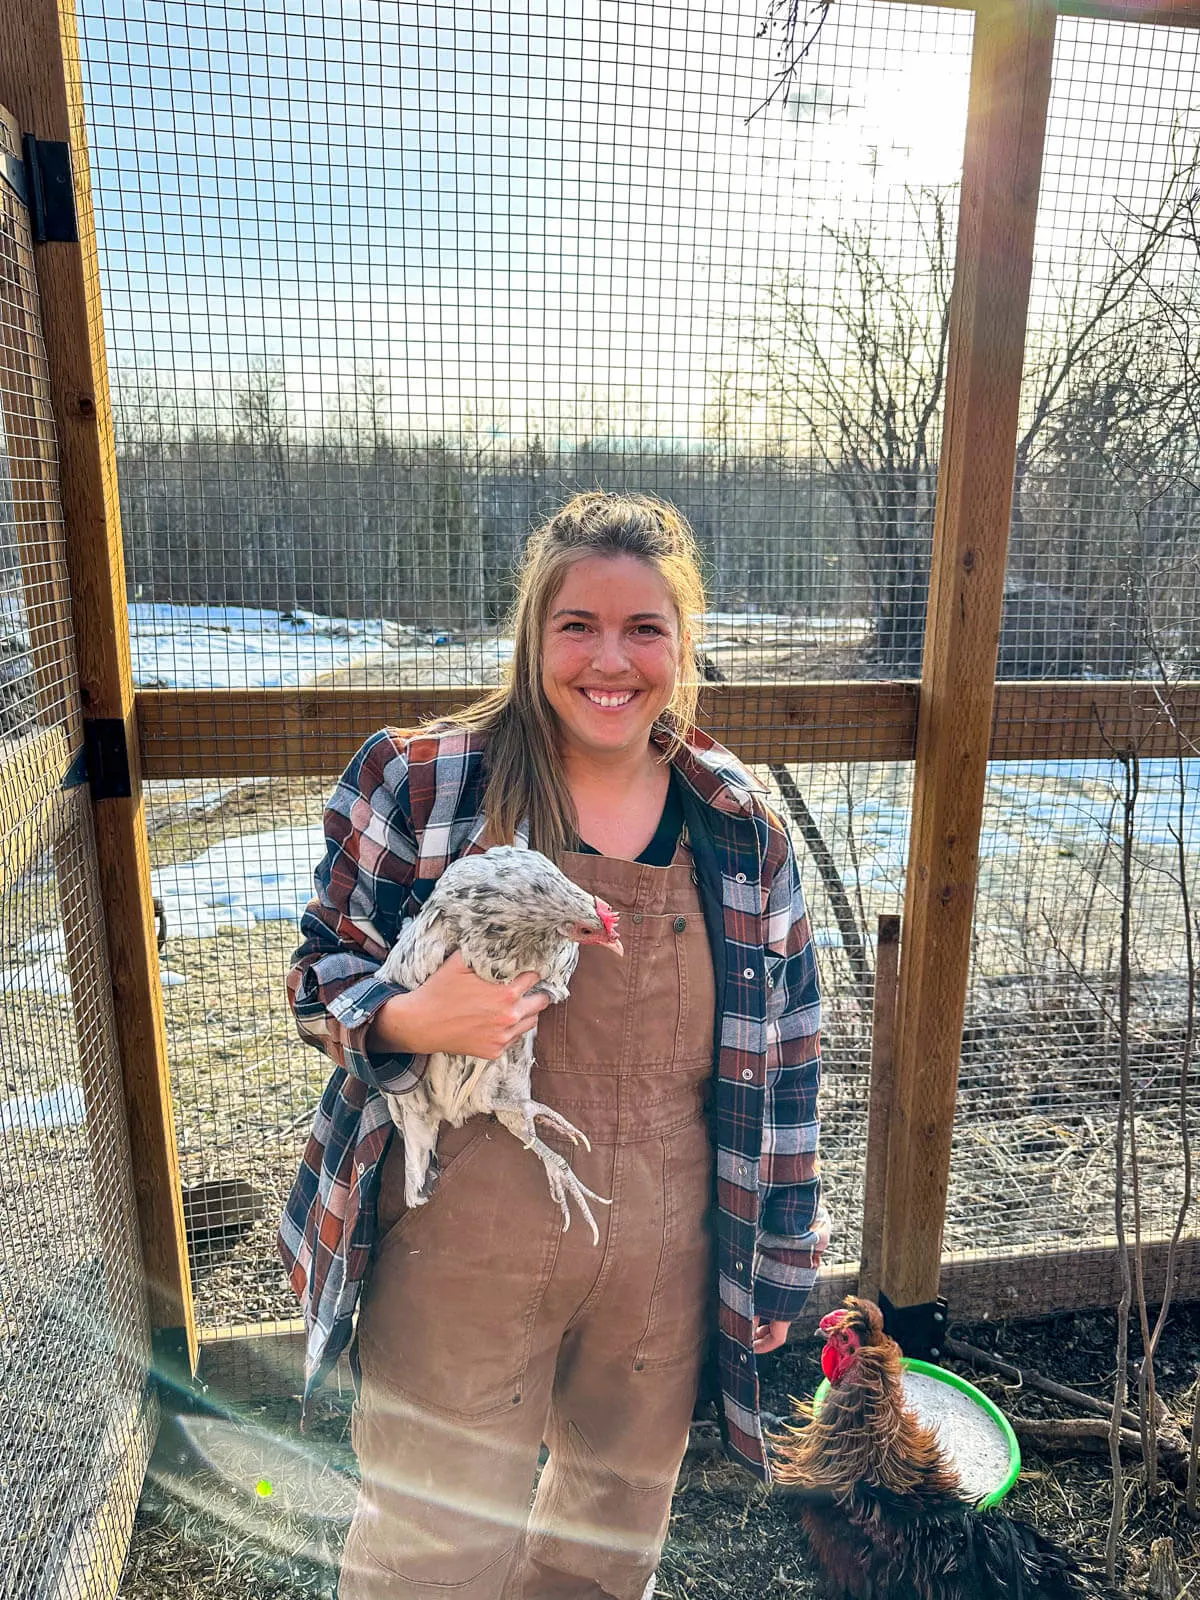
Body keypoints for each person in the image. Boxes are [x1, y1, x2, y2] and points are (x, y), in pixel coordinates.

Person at [279, 491, 828, 1600]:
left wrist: (780, 1251)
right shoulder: (424, 781)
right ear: (533, 635)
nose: (609, 660)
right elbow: (316, 971)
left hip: (665, 1244)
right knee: (434, 1538)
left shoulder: (738, 826)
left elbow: (790, 1058)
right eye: (577, 625)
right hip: (459, 1232)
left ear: (686, 642)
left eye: (644, 629)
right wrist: (407, 1018)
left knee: (611, 1530)